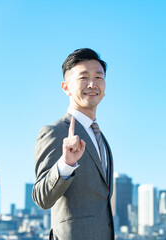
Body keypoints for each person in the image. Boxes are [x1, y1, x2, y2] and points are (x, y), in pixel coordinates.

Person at [33, 48, 114, 240]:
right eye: (83, 78)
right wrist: (66, 164)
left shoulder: (102, 139)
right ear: (66, 87)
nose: (92, 84)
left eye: (99, 77)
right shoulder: (54, 132)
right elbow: (41, 198)